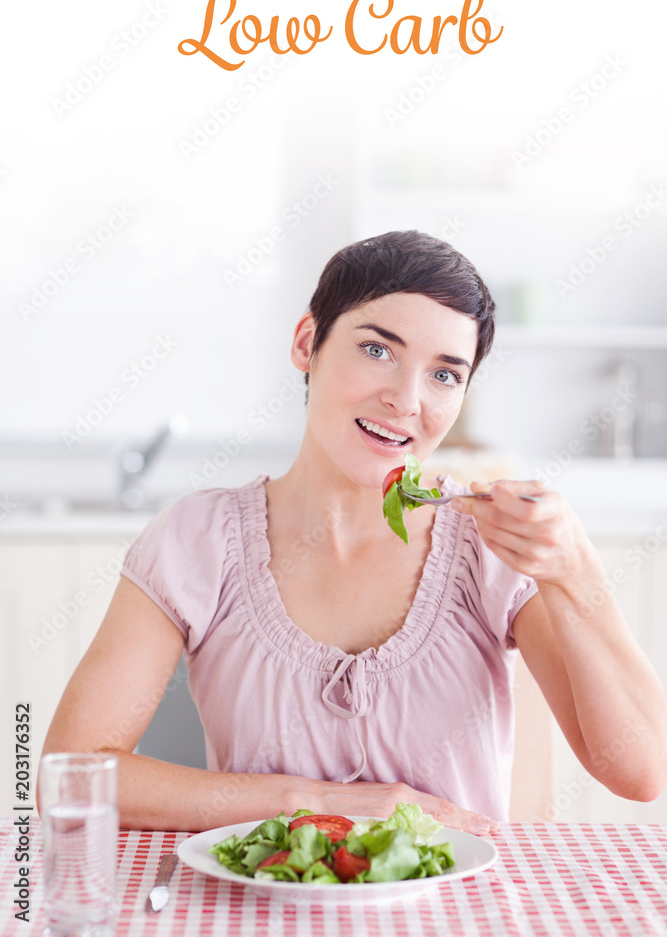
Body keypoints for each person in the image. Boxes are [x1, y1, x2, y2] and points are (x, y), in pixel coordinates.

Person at [42, 230, 667, 833]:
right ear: (306, 342)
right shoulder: (195, 540)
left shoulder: (490, 545)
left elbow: (640, 773)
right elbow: (65, 777)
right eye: (377, 350)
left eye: (444, 374)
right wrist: (308, 801)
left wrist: (577, 572)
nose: (406, 399)